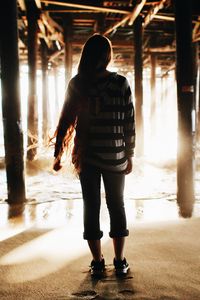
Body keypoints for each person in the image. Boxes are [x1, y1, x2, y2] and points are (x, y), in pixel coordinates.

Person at [53, 34, 135, 277]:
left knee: (91, 206)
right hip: (115, 155)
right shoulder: (121, 83)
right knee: (116, 205)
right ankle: (119, 262)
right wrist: (130, 153)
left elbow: (66, 121)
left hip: (87, 156)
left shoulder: (77, 84)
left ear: (86, 55)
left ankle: (97, 263)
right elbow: (129, 122)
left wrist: (58, 155)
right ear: (107, 56)